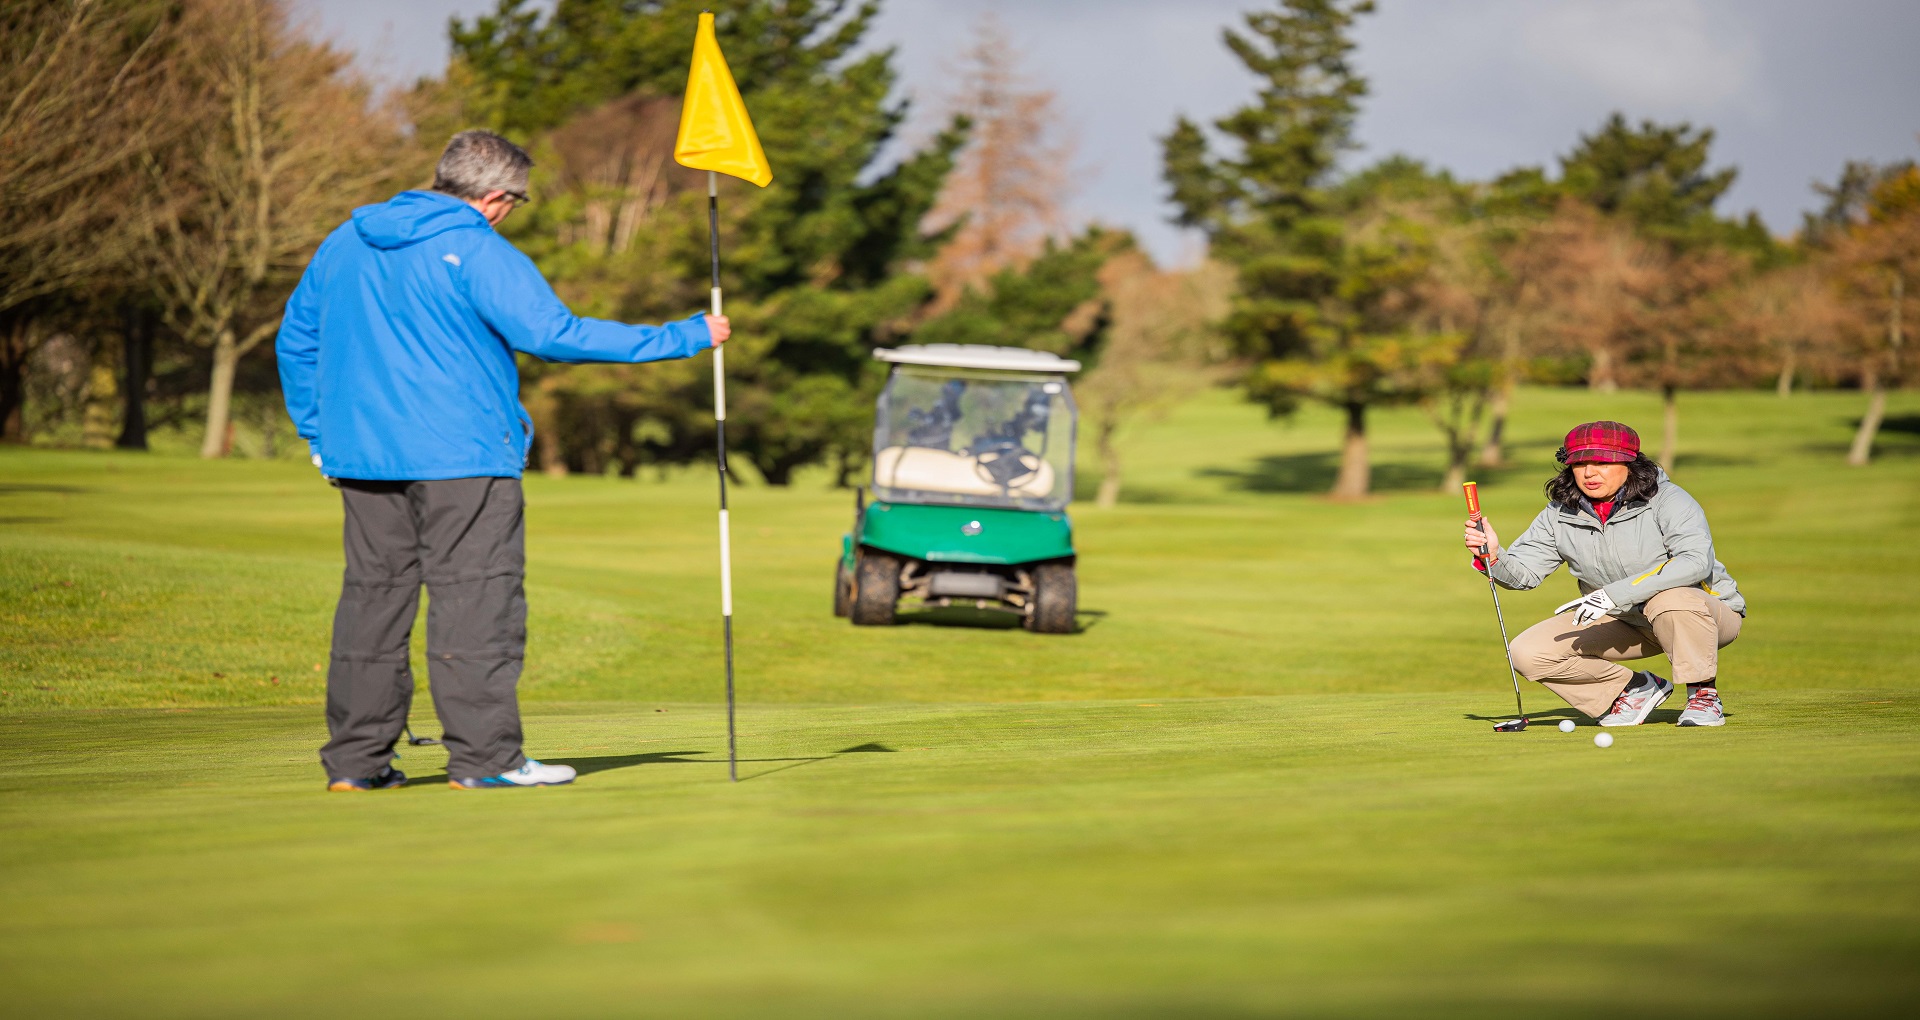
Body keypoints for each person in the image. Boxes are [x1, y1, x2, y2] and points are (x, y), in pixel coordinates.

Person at [277, 130, 730, 791]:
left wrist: (318, 434)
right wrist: (686, 336)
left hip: (363, 457)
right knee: (477, 603)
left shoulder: (344, 241)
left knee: (372, 604)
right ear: (494, 197)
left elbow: (297, 340)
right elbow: (553, 334)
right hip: (464, 457)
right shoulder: (479, 249)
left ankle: (355, 765)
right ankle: (486, 760)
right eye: (516, 201)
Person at [1461, 421, 1746, 727]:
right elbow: (1524, 574)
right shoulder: (1560, 512)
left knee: (1670, 598)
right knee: (1527, 652)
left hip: (1704, 615)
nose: (1589, 472)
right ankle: (1633, 689)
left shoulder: (1668, 499)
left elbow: (1694, 562)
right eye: (1580, 463)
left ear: (1630, 464)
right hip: (1626, 621)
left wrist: (1615, 594)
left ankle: (1703, 695)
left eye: (1602, 462)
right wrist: (1493, 555)